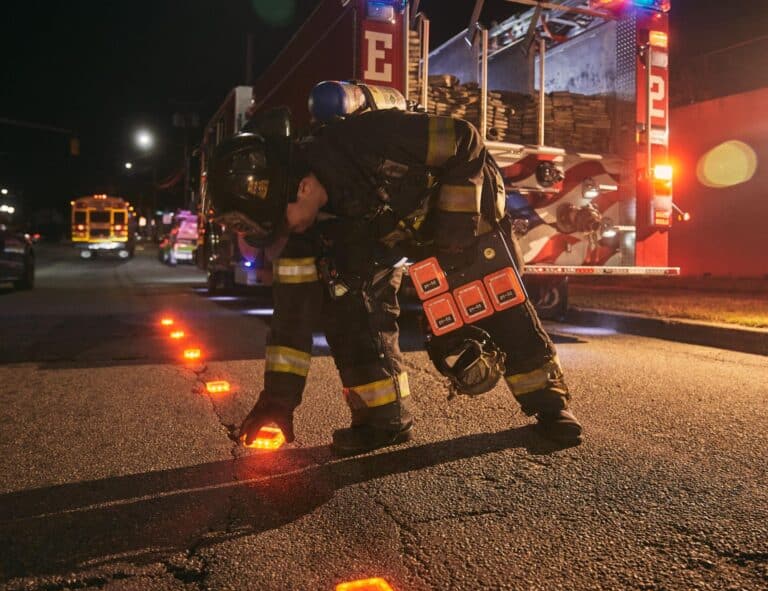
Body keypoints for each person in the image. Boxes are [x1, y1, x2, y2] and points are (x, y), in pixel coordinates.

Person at [210, 106, 583, 456]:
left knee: (491, 292)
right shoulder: (303, 237)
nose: (286, 231)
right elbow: (290, 325)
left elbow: (464, 138)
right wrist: (277, 404)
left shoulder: (368, 138)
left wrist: (455, 226)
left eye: (283, 219)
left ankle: (550, 407)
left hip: (463, 214)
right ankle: (383, 420)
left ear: (302, 188)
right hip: (396, 235)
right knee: (349, 310)